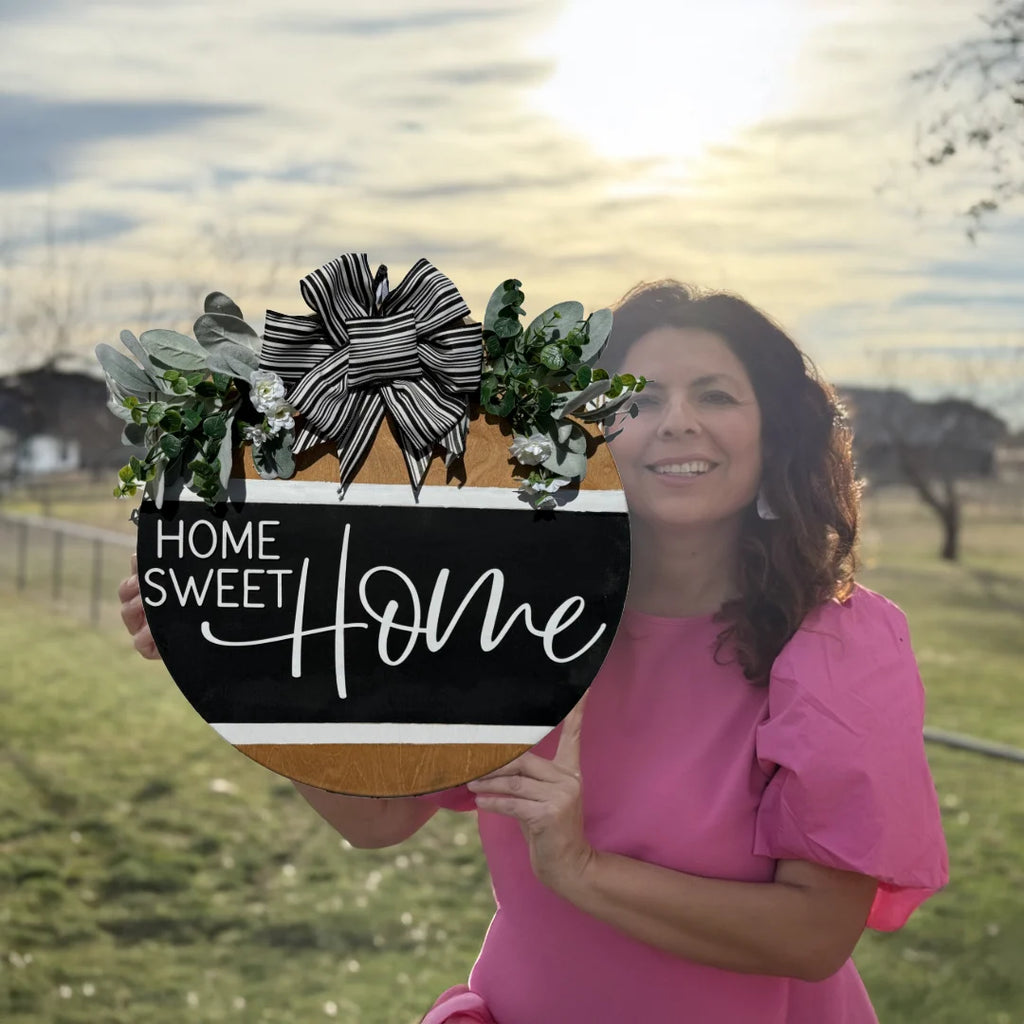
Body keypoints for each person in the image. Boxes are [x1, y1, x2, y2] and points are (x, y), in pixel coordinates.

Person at [118, 280, 949, 1023]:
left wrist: (581, 868)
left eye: (717, 394)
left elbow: (812, 936)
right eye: (642, 397)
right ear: (583, 432)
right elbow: (379, 817)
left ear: (774, 434)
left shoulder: (837, 642)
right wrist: (247, 671)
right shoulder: (511, 607)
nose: (678, 422)